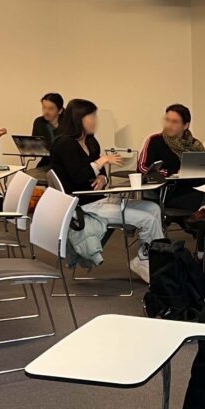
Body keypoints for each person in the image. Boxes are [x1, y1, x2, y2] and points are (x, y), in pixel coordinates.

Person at [49, 98, 164, 283]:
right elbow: (79, 176)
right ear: (78, 118)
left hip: (99, 199)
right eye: (91, 116)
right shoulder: (65, 144)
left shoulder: (90, 142)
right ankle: (146, 263)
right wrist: (101, 161)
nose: (95, 121)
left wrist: (103, 178)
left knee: (154, 208)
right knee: (148, 220)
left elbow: (100, 173)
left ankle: (150, 259)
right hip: (83, 205)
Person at [137, 104, 205, 212]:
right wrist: (169, 173)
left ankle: (199, 218)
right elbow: (142, 167)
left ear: (185, 125)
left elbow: (203, 169)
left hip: (194, 187)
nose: (169, 125)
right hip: (168, 192)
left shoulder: (195, 145)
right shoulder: (155, 141)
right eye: (167, 120)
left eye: (175, 122)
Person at [32, 92, 63, 170]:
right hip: (47, 162)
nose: (46, 112)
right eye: (44, 108)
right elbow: (36, 144)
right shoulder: (39, 122)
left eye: (50, 109)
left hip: (65, 163)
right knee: (30, 174)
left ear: (60, 111)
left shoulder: (69, 123)